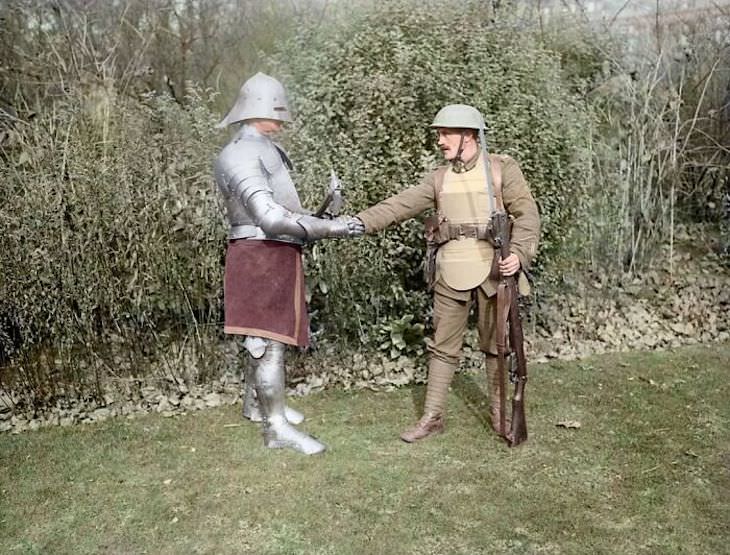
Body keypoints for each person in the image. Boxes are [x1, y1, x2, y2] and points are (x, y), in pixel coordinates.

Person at [354, 104, 540, 442]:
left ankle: (501, 416)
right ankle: (432, 417)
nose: (439, 141)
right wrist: (358, 223)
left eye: (445, 134)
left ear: (469, 135)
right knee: (442, 347)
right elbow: (400, 204)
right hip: (451, 269)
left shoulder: (501, 170)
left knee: (497, 345)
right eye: (438, 134)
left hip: (493, 271)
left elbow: (527, 215)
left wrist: (518, 254)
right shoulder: (439, 178)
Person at [213, 72, 364, 455]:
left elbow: (285, 212)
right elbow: (270, 218)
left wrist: (322, 213)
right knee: (268, 343)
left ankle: (254, 406)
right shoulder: (241, 153)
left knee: (262, 339)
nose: (282, 119)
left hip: (273, 251)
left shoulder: (262, 146)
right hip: (258, 254)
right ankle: (274, 426)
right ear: (256, 108)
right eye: (275, 110)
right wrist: (334, 227)